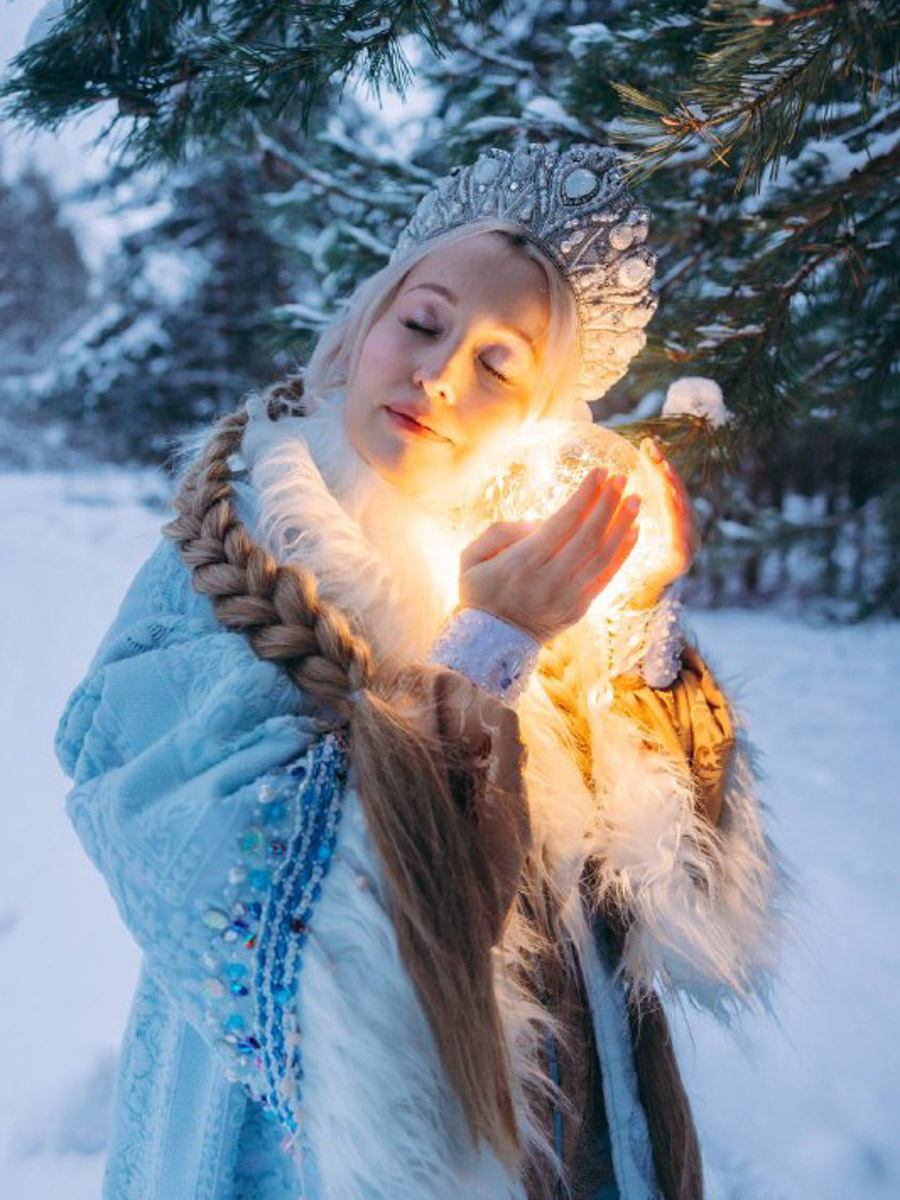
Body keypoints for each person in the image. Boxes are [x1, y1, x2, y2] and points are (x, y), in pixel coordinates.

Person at [55, 142, 790, 1200]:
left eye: (501, 364)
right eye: (425, 322)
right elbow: (200, 859)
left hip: (547, 1105)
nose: (443, 374)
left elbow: (671, 898)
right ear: (363, 327)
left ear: (542, 415)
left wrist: (639, 619)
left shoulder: (541, 561)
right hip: (292, 1136)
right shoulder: (232, 554)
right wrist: (484, 651)